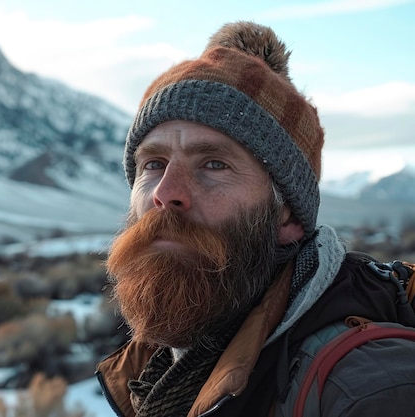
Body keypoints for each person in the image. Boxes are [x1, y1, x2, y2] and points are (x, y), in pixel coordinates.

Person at [95, 21, 415, 417]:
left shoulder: (367, 391)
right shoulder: (160, 374)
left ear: (287, 215)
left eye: (214, 164)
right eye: (153, 164)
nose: (165, 192)